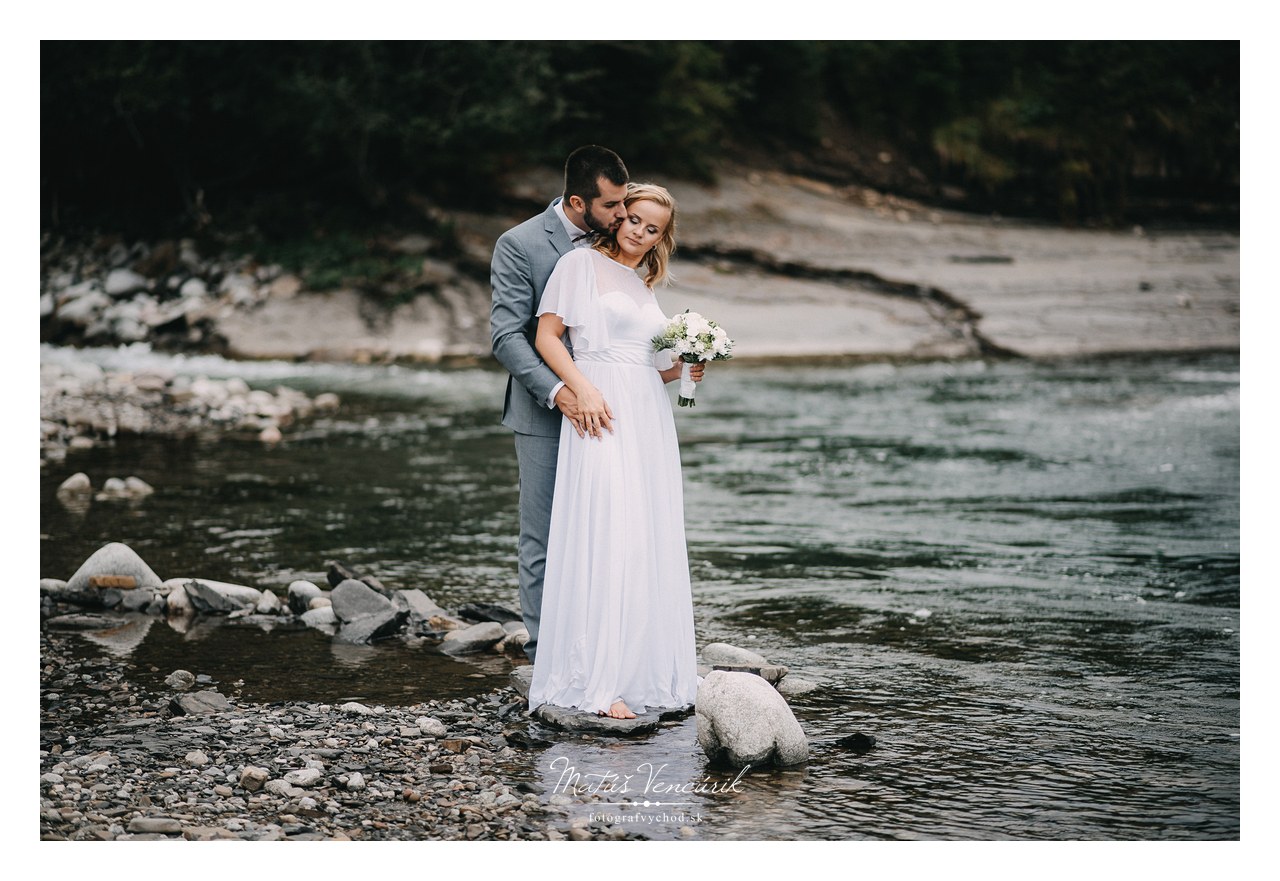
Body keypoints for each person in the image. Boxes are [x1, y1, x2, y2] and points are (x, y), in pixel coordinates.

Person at [527, 183, 705, 720]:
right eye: (634, 220)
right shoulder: (578, 266)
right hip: (600, 408)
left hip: (648, 416)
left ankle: (639, 670)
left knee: (643, 532)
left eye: (653, 229)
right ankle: (596, 680)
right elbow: (547, 336)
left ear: (660, 239)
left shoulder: (643, 284)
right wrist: (580, 388)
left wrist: (685, 369)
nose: (639, 232)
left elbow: (647, 363)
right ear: (617, 217)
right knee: (606, 528)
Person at [490, 145, 630, 663]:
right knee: (543, 534)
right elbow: (507, 336)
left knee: (606, 528)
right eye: (613, 205)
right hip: (543, 410)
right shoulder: (520, 244)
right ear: (577, 201)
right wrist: (559, 392)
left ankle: (599, 645)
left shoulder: (619, 242)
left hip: (611, 411)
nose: (623, 214)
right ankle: (545, 654)